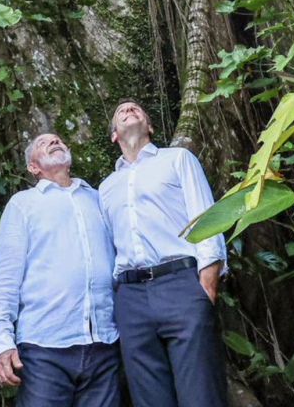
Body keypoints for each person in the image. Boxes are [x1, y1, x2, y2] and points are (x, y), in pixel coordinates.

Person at [99, 100, 228, 407]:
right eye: (120, 111)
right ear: (114, 135)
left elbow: (206, 218)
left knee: (200, 392)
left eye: (136, 109)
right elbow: (108, 247)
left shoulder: (178, 159)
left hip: (180, 284)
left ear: (150, 127)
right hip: (131, 298)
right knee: (149, 397)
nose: (129, 109)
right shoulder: (106, 188)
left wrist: (206, 284)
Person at [0, 132, 120, 407]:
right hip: (44, 347)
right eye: (43, 143)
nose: (54, 142)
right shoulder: (23, 204)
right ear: (33, 167)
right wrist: (1, 342)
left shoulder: (98, 199)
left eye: (58, 140)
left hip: (103, 344)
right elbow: (5, 279)